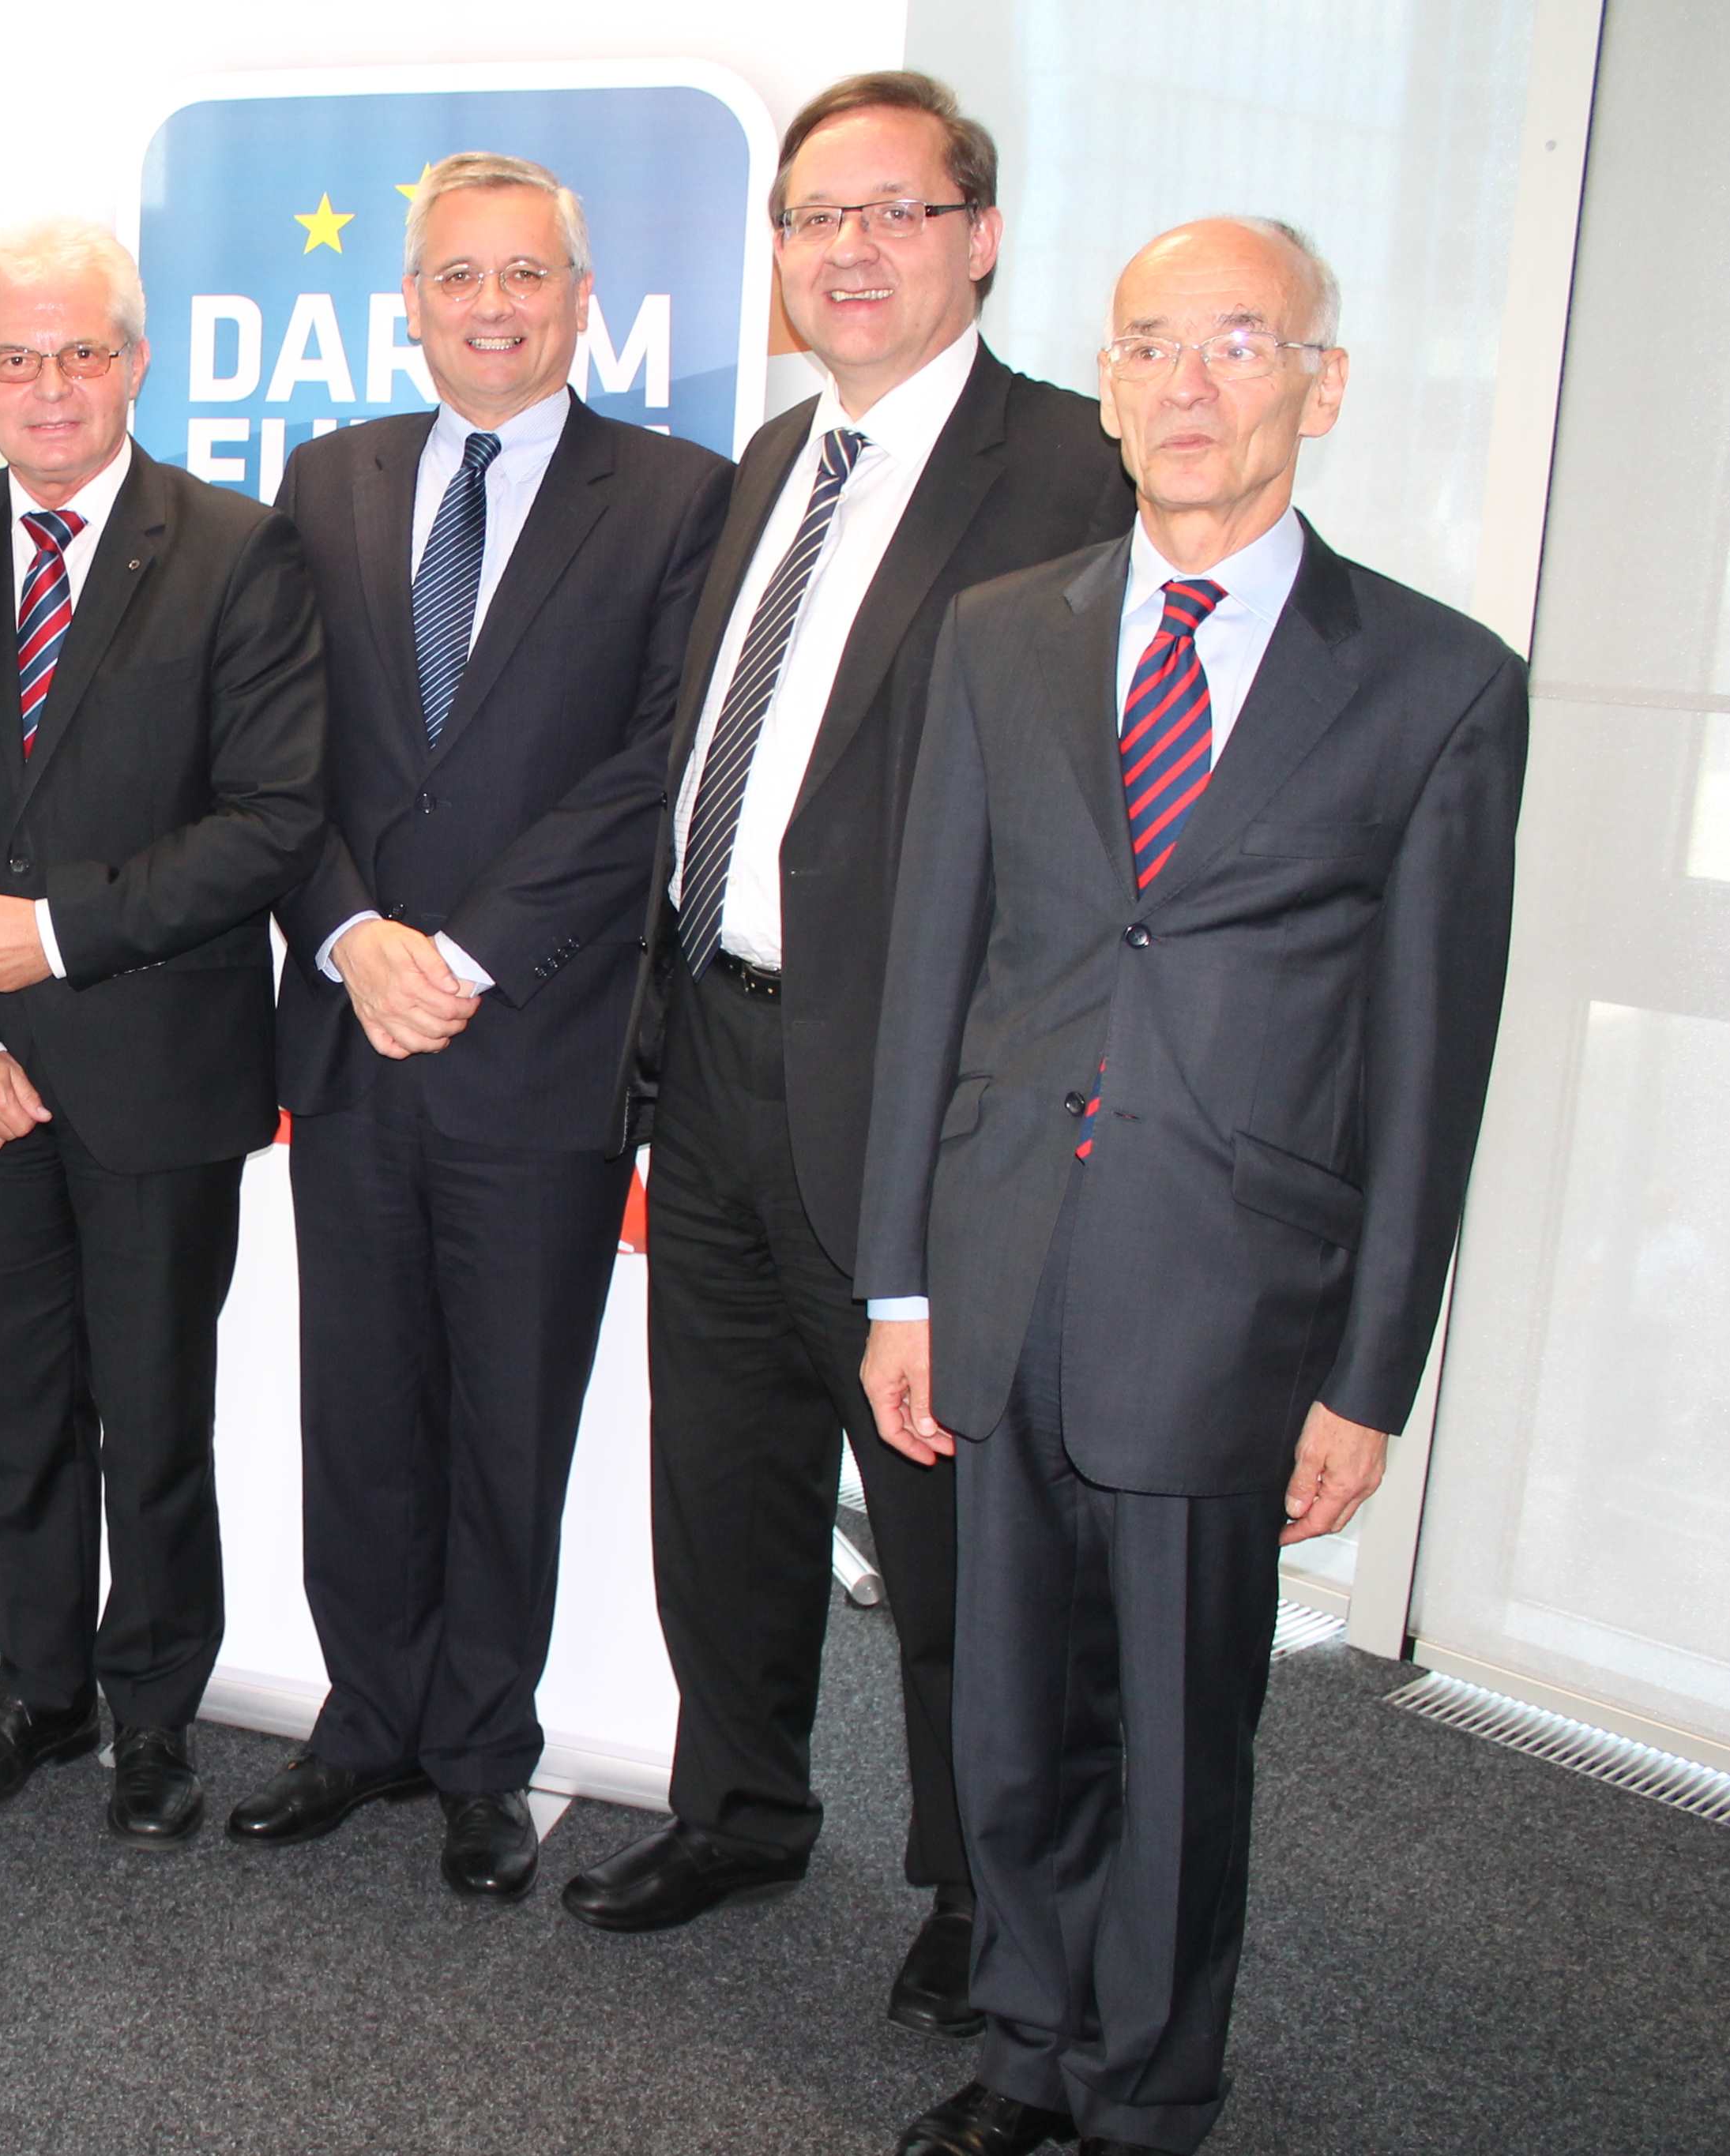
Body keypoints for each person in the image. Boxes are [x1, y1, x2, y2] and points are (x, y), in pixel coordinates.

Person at [857, 219, 1525, 2156]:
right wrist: (900, 1280)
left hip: (1234, 1309)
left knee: (1176, 1734)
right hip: (1000, 1274)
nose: (1185, 385)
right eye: (1149, 344)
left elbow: (1432, 1059)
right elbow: (934, 976)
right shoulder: (1005, 635)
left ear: (1325, 383)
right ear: (1108, 377)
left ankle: (1152, 2090)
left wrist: (1370, 1370)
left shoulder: (1436, 684)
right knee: (1008, 1716)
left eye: (1239, 343)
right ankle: (1032, 2049)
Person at [567, 74, 1134, 2035]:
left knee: (954, 1524)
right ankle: (740, 1807)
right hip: (718, 1057)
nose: (848, 251)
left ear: (978, 236)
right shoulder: (770, 465)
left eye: (894, 212)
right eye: (814, 218)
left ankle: (993, 1886)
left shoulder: (1077, 471)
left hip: (925, 1106)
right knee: (720, 1483)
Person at [246, 152, 728, 1901]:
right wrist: (359, 934)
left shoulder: (680, 497)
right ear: (411, 301)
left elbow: (655, 766)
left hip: (536, 1039)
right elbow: (275, 747)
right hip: (355, 1026)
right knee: (359, 1403)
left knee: (509, 1418)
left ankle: (478, 1751)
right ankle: (361, 1721)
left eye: (527, 276)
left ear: (581, 300)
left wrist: (469, 949)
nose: (494, 306)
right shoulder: (330, 477)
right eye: (459, 277)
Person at [0, 213, 326, 1842]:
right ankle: (34, 1690)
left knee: (154, 1416)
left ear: (139, 359)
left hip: (157, 1074)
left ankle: (152, 1714)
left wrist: (60, 932)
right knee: (21, 1411)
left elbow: (269, 819)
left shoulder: (238, 548)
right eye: (18, 359)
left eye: (85, 353)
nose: (53, 389)